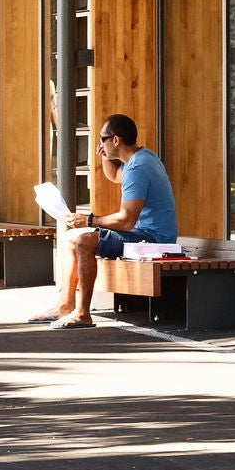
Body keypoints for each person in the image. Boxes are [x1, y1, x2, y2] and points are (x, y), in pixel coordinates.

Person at [37, 114, 178, 329]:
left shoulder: (138, 168)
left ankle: (83, 313)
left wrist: (89, 220)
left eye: (103, 138)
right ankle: (64, 306)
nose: (99, 143)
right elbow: (114, 176)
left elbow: (126, 221)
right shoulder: (141, 158)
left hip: (152, 239)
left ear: (116, 140)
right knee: (69, 238)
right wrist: (105, 156)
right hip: (144, 234)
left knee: (85, 240)